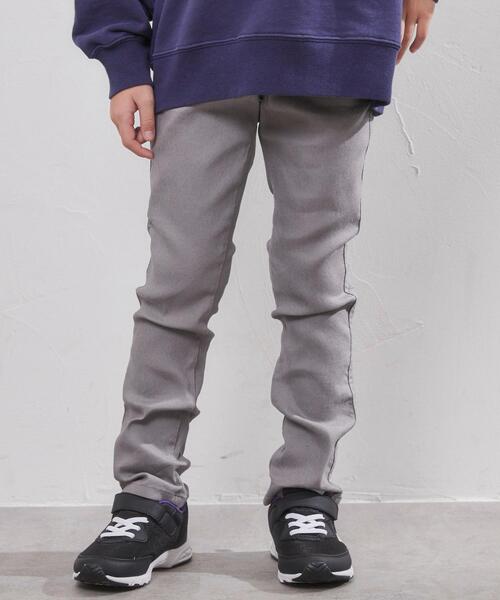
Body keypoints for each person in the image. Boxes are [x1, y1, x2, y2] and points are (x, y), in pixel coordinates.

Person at [72, 0, 437, 588]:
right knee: (176, 288)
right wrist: (122, 59)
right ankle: (149, 497)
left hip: (334, 40)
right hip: (195, 42)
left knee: (315, 288)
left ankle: (305, 496)